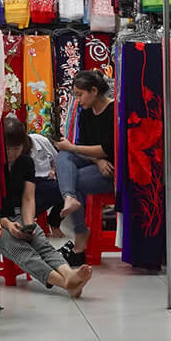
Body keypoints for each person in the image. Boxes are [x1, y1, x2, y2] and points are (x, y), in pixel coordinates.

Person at [0, 115, 92, 297]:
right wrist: (8, 224)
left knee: (41, 243)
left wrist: (28, 223)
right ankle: (65, 283)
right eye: (7, 148)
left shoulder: (25, 162)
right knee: (21, 250)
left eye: (16, 148)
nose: (12, 153)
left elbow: (28, 197)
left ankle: (69, 274)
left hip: (18, 214)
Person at [54, 70, 115, 267]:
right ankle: (69, 198)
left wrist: (73, 148)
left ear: (94, 91)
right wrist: (97, 160)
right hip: (97, 163)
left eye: (80, 94)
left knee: (74, 178)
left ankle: (80, 236)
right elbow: (87, 146)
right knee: (64, 156)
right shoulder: (86, 112)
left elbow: (108, 149)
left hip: (113, 170)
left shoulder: (113, 111)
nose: (78, 100)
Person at [29, 130, 65, 238]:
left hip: (46, 179)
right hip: (27, 182)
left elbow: (57, 160)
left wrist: (53, 170)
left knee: (67, 192)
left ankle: (54, 221)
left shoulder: (40, 140)